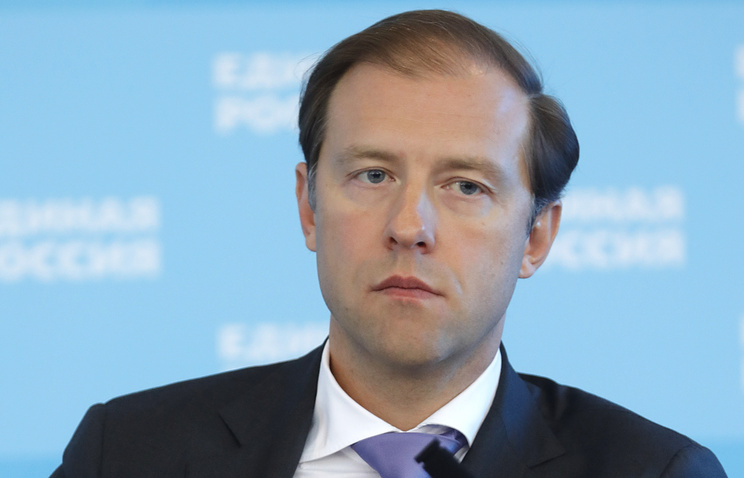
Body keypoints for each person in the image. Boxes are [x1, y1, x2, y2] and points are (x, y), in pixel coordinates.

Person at [51, 9, 727, 478]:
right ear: (308, 206)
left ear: (537, 236)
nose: (410, 226)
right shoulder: (128, 453)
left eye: (466, 186)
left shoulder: (651, 470)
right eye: (373, 175)